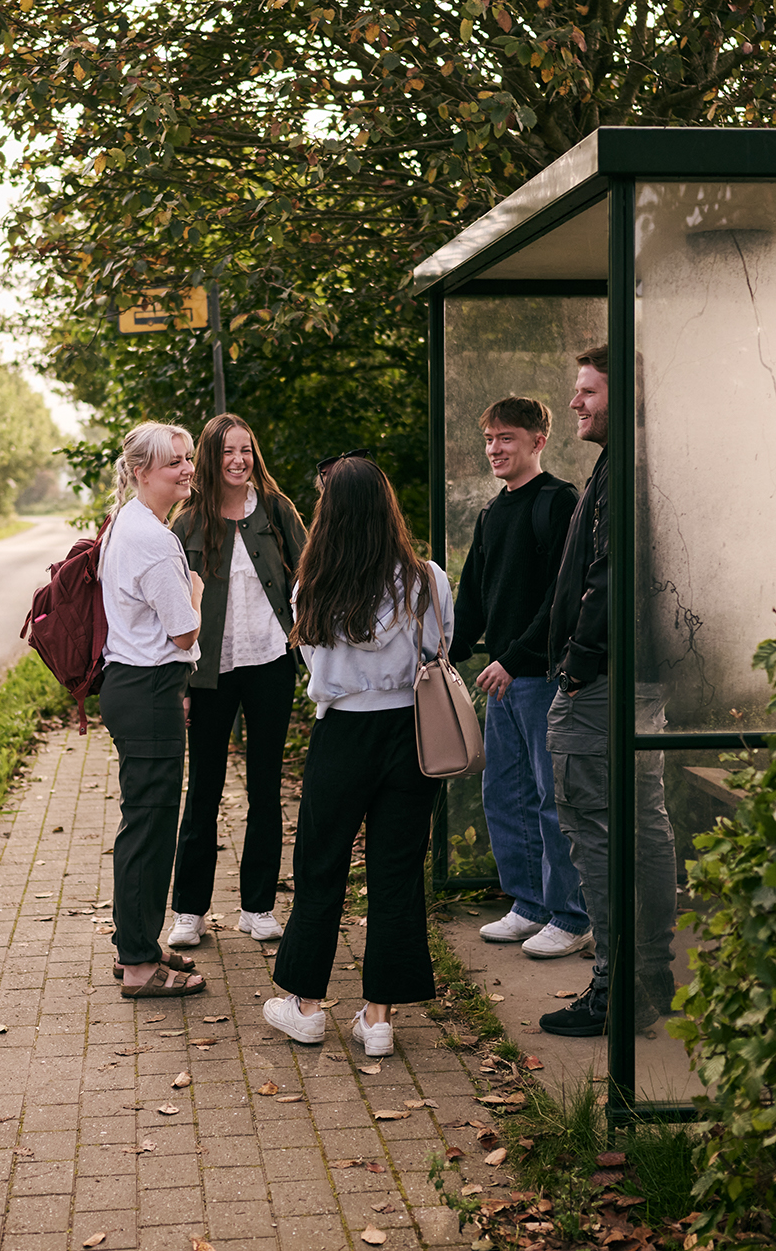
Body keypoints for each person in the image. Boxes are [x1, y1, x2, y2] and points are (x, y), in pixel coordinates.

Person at [263, 451, 450, 1059]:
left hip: (343, 732)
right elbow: (439, 647)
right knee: (397, 871)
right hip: (411, 733)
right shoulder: (427, 580)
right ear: (387, 506)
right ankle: (378, 1018)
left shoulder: (312, 586)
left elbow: (313, 662)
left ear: (331, 513)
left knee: (321, 866)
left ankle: (306, 1007)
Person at [537, 346, 678, 1039]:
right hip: (641, 672)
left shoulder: (625, 468)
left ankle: (614, 989)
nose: (575, 402)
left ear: (623, 395)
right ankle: (650, 976)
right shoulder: (645, 460)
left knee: (595, 830)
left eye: (588, 391)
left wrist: (579, 663)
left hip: (604, 678)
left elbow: (609, 574)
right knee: (643, 823)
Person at [448, 397, 588, 960]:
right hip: (502, 681)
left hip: (543, 678)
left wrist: (515, 657)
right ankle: (529, 905)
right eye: (488, 439)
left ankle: (571, 916)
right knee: (505, 795)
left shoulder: (559, 502)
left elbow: (564, 597)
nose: (494, 449)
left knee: (552, 802)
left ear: (538, 440)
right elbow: (473, 598)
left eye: (506, 438)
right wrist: (444, 655)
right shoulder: (492, 513)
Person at [166, 413, 309, 948]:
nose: (238, 460)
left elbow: (309, 573)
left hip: (270, 662)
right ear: (210, 457)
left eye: (246, 449)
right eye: (228, 451)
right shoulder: (187, 523)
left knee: (265, 787)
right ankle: (189, 911)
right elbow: (171, 608)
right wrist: (179, 685)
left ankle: (258, 907)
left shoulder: (275, 509)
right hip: (208, 672)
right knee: (203, 789)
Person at [98, 421, 208, 999]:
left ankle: (136, 944)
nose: (187, 469)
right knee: (149, 829)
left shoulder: (128, 522)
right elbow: (184, 632)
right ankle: (139, 965)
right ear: (142, 471)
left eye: (188, 459)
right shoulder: (153, 539)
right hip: (148, 690)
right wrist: (196, 589)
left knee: (144, 825)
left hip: (134, 687)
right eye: (174, 462)